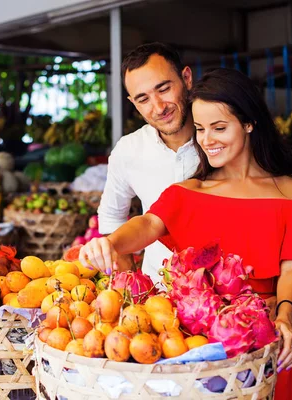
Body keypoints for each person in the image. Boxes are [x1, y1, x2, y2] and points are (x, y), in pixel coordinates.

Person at [81, 68, 292, 400]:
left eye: (219, 128)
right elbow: (149, 224)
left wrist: (285, 317)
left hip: (263, 338)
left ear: (249, 123)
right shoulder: (187, 191)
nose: (207, 140)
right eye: (200, 129)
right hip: (197, 344)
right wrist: (110, 242)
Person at [98, 42, 199, 280]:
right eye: (143, 99)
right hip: (157, 298)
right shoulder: (128, 150)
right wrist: (132, 285)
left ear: (186, 78)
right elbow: (112, 218)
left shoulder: (221, 140)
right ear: (133, 103)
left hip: (223, 300)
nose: (158, 107)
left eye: (163, 89)